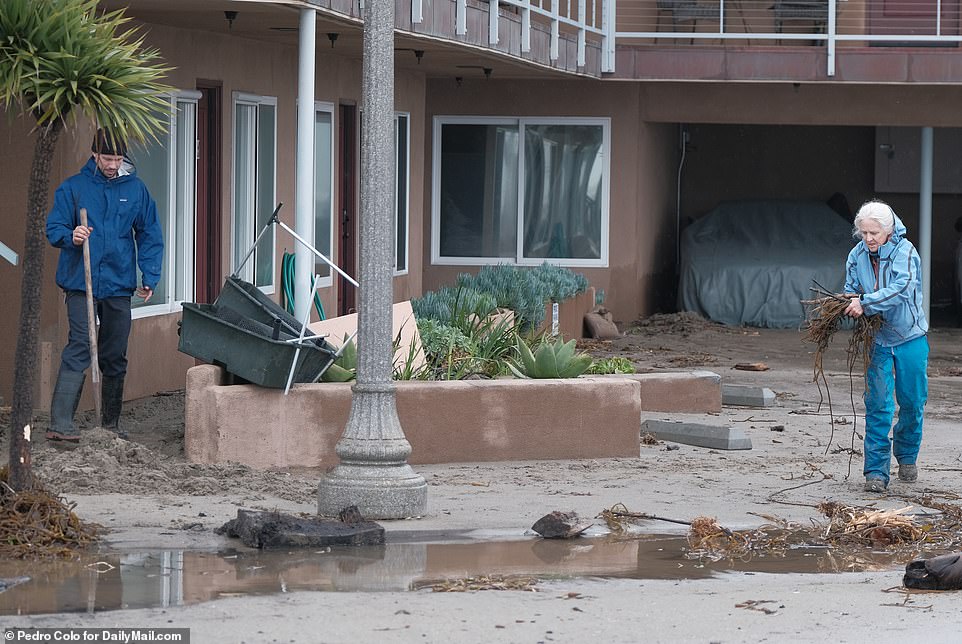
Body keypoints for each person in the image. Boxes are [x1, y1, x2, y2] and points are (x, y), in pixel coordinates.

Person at [44, 128, 163, 442]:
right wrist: (71, 235)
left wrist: (149, 275)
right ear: (94, 154)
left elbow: (149, 232)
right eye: (107, 157)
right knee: (81, 344)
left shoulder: (136, 189)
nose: (112, 164)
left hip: (119, 283)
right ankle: (60, 425)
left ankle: (110, 425)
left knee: (114, 352)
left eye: (117, 158)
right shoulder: (74, 188)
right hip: (80, 282)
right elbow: (54, 226)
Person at [843, 199, 928, 493]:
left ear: (889, 231)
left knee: (912, 401)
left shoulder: (906, 253)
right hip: (877, 339)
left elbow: (902, 290)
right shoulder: (857, 255)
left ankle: (906, 456)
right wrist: (850, 300)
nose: (868, 239)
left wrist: (864, 303)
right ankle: (876, 472)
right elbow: (851, 288)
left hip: (910, 337)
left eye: (874, 234)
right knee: (878, 404)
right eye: (864, 233)